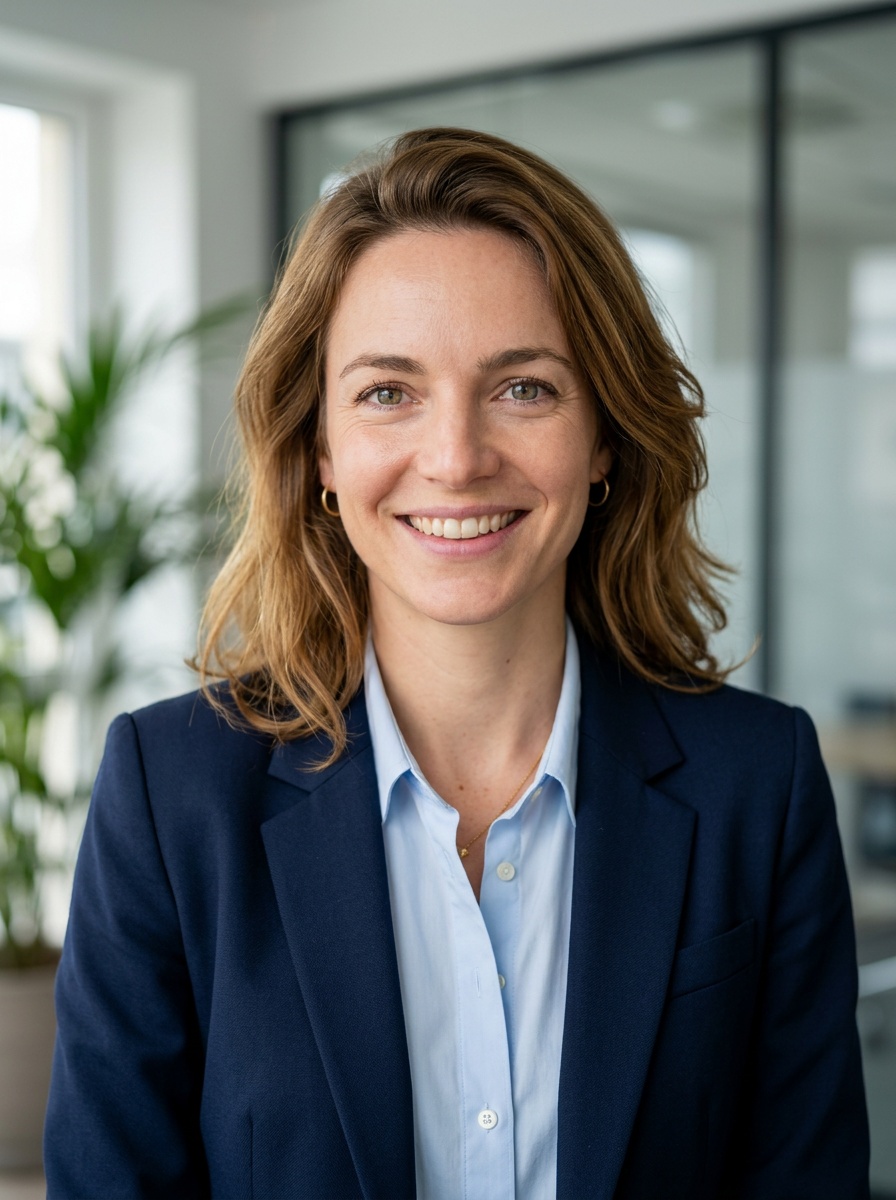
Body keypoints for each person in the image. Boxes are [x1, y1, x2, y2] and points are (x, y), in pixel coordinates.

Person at [44, 127, 869, 1199]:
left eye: (523, 387)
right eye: (388, 392)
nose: (455, 459)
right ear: (322, 449)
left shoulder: (758, 784)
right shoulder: (172, 795)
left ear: (604, 436)